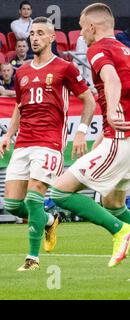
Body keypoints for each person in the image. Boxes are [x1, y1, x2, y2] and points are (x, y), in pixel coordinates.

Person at [0, 17, 96, 271]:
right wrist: (9, 135)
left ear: (52, 38)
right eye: (32, 33)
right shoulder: (22, 72)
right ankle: (50, 219)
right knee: (11, 205)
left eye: (41, 33)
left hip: (49, 142)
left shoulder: (65, 68)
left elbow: (88, 100)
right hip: (23, 143)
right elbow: (19, 107)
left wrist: (82, 132)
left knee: (33, 198)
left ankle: (33, 259)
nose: (35, 37)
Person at [51, 3, 130, 268]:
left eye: (82, 28)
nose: (80, 35)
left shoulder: (99, 49)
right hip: (121, 137)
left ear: (93, 27)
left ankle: (120, 231)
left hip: (121, 137)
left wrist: (110, 119)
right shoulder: (125, 49)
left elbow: (113, 81)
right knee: (112, 201)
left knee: (60, 192)